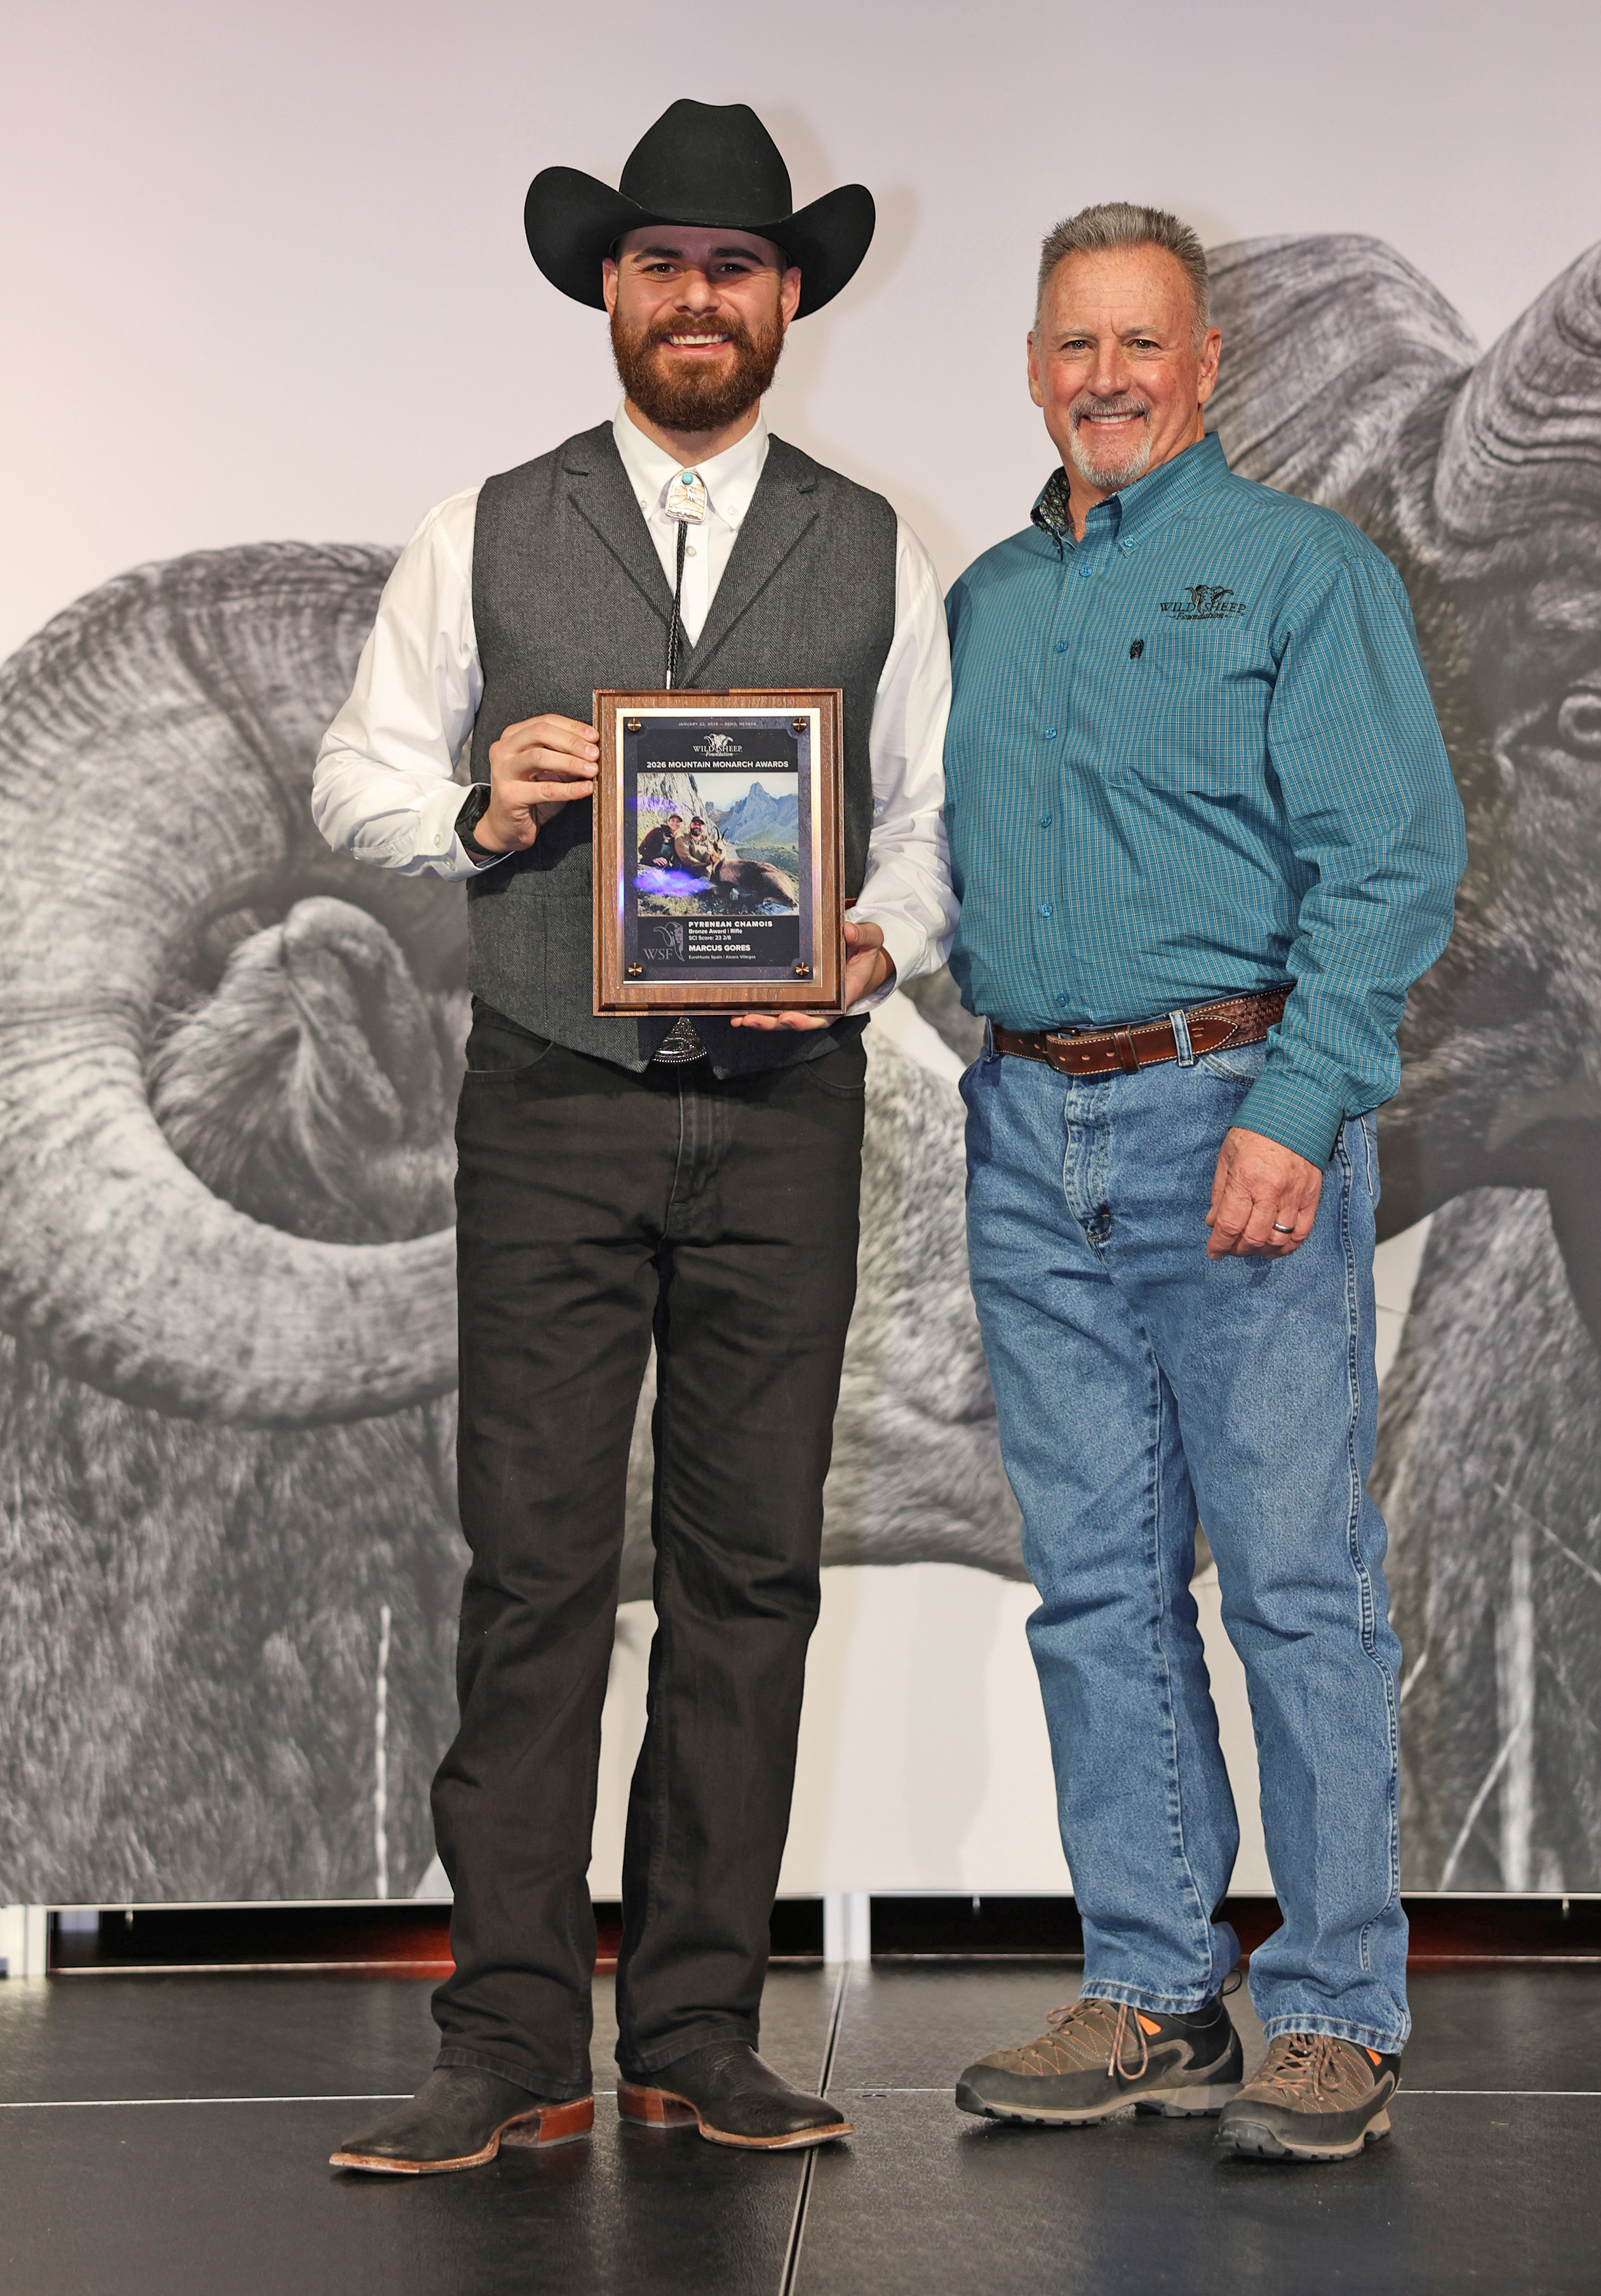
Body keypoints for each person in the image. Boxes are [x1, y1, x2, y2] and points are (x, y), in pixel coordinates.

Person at [313, 98, 955, 2172]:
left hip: (784, 1109)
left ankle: (696, 2026)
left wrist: (870, 945)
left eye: (735, 267)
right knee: (532, 1571)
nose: (698, 297)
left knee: (748, 1575)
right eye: (664, 261)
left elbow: (927, 822)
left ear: (788, 300)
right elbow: (355, 781)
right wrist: (479, 807)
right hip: (551, 1096)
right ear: (609, 286)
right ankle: (509, 2037)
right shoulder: (481, 528)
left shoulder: (872, 543)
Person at [943, 203, 1466, 2163]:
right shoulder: (987, 602)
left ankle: (1332, 2014)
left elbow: (1391, 861)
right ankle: (1154, 1992)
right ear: (1032, 369)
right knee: (1092, 1591)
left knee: (1297, 1590)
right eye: (1072, 344)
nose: (1105, 378)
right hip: (1026, 1128)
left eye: (1139, 343)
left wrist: (1296, 1107)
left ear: (1204, 364)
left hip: (1227, 1108)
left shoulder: (1302, 573)